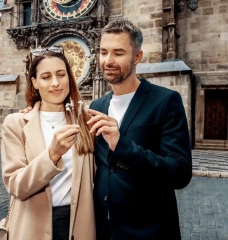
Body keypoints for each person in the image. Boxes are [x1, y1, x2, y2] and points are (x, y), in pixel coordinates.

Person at [87, 19, 192, 239]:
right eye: (103, 52)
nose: (108, 60)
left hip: (149, 231)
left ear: (137, 57)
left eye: (118, 53)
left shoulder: (165, 101)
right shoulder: (97, 107)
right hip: (104, 231)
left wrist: (121, 144)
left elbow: (180, 173)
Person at [1, 48, 96, 240]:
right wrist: (52, 154)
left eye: (61, 75)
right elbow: (16, 185)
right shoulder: (16, 123)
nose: (55, 83)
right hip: (32, 226)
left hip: (78, 223)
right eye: (46, 77)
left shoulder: (85, 121)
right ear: (34, 82)